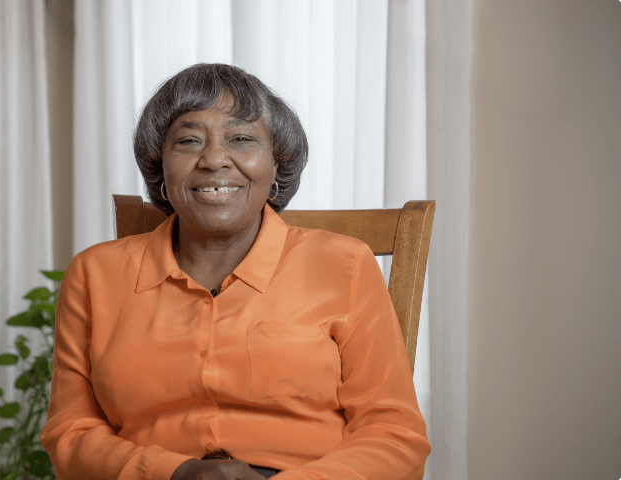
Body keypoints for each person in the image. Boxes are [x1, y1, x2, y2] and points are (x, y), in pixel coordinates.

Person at [40, 63, 430, 480]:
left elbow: (395, 434)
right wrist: (173, 472)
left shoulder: (346, 265)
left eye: (241, 138)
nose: (213, 160)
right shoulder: (94, 275)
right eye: (188, 141)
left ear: (277, 164)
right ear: (160, 169)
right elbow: (70, 432)